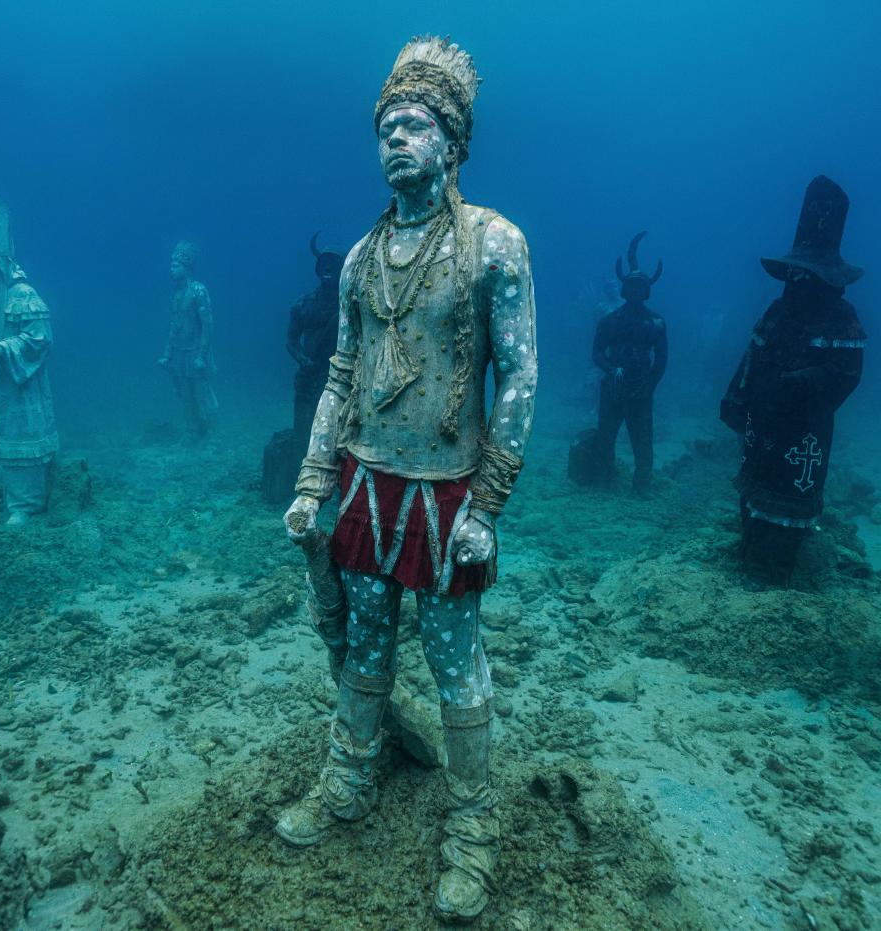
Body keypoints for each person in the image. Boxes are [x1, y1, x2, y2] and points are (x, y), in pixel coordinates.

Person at [277, 36, 538, 923]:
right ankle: (348, 777)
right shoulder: (358, 258)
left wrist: (489, 505)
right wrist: (315, 483)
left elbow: (520, 376)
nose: (397, 138)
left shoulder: (492, 243)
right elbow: (341, 378)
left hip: (447, 494)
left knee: (454, 656)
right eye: (387, 125)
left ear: (452, 141)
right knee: (363, 647)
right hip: (367, 482)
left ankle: (472, 825)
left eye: (417, 124)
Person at [721, 175, 866, 581]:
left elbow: (847, 373)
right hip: (760, 420)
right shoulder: (777, 310)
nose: (798, 281)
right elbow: (752, 352)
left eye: (807, 274)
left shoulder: (841, 317)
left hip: (803, 427)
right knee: (752, 492)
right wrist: (735, 396)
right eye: (795, 273)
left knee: (788, 500)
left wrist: (800, 382)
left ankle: (777, 573)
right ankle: (748, 557)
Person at [0, 192, 59, 526]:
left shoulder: (23, 295)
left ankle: (28, 504)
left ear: (2, 263)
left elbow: (40, 339)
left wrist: (6, 348)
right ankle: (16, 499)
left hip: (22, 386)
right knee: (5, 441)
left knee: (25, 439)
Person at [263, 235, 343, 502]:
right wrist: (301, 359)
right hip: (308, 377)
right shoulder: (303, 304)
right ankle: (302, 486)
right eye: (324, 266)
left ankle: (339, 486)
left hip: (341, 379)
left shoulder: (350, 306)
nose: (328, 271)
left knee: (343, 433)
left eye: (334, 265)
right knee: (303, 431)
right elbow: (290, 340)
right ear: (318, 270)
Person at [591, 232, 668, 493]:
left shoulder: (656, 323)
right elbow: (598, 352)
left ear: (647, 291)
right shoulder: (610, 321)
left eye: (640, 287)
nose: (635, 291)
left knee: (642, 439)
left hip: (641, 389)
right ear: (625, 289)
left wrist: (649, 385)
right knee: (606, 435)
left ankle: (642, 483)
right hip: (614, 386)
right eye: (631, 286)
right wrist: (612, 370)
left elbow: (661, 360)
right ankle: (605, 478)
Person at [158, 240, 216, 440]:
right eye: (171, 265)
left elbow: (207, 325)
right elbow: (174, 325)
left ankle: (210, 430)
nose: (171, 269)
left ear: (187, 267)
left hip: (195, 352)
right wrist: (167, 353)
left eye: (175, 266)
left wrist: (201, 356)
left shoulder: (198, 290)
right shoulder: (177, 294)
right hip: (179, 351)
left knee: (202, 393)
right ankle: (193, 431)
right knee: (184, 394)